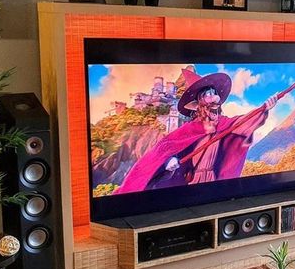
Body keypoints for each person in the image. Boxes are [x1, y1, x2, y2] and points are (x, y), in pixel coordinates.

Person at [116, 69, 277, 192]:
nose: (214, 97)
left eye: (214, 93)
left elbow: (242, 122)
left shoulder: (224, 123)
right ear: (197, 104)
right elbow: (164, 150)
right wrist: (168, 162)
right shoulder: (189, 129)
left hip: (214, 181)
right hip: (194, 182)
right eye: (208, 94)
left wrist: (263, 109)